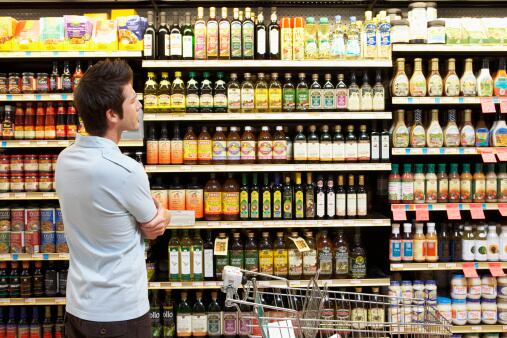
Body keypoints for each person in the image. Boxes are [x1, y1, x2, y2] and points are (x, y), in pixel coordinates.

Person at [55, 59, 167, 337]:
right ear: (112, 115)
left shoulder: (65, 159)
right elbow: (154, 226)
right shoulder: (126, 170)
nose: (139, 104)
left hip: (79, 306)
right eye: (132, 100)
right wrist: (164, 213)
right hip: (120, 312)